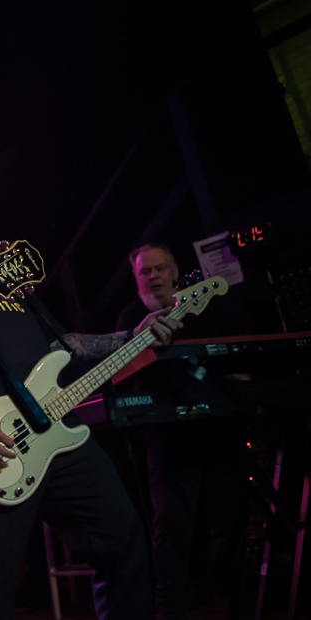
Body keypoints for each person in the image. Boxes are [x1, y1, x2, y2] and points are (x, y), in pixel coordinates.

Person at [0, 182, 183, 620]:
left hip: (55, 428)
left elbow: (66, 344)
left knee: (124, 537)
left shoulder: (8, 274)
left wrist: (133, 336)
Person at [117, 243, 249, 620]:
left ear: (175, 272)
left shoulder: (203, 306)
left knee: (230, 525)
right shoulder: (130, 316)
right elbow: (123, 375)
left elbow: (229, 358)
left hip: (216, 432)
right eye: (146, 272)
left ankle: (236, 606)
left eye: (160, 268)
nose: (154, 276)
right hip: (166, 440)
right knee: (171, 533)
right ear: (137, 278)